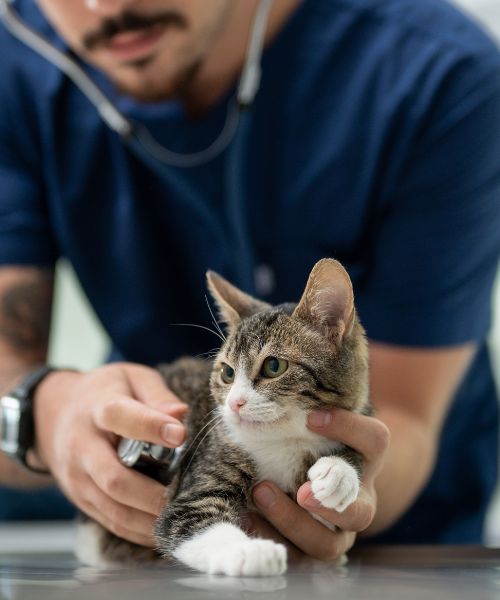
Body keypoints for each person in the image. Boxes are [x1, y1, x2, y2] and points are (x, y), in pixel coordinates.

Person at [0, 0, 499, 558]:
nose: (105, 7)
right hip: (156, 505)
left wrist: (339, 487)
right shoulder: (17, 67)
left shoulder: (440, 74)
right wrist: (44, 411)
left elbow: (401, 416)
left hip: (402, 548)